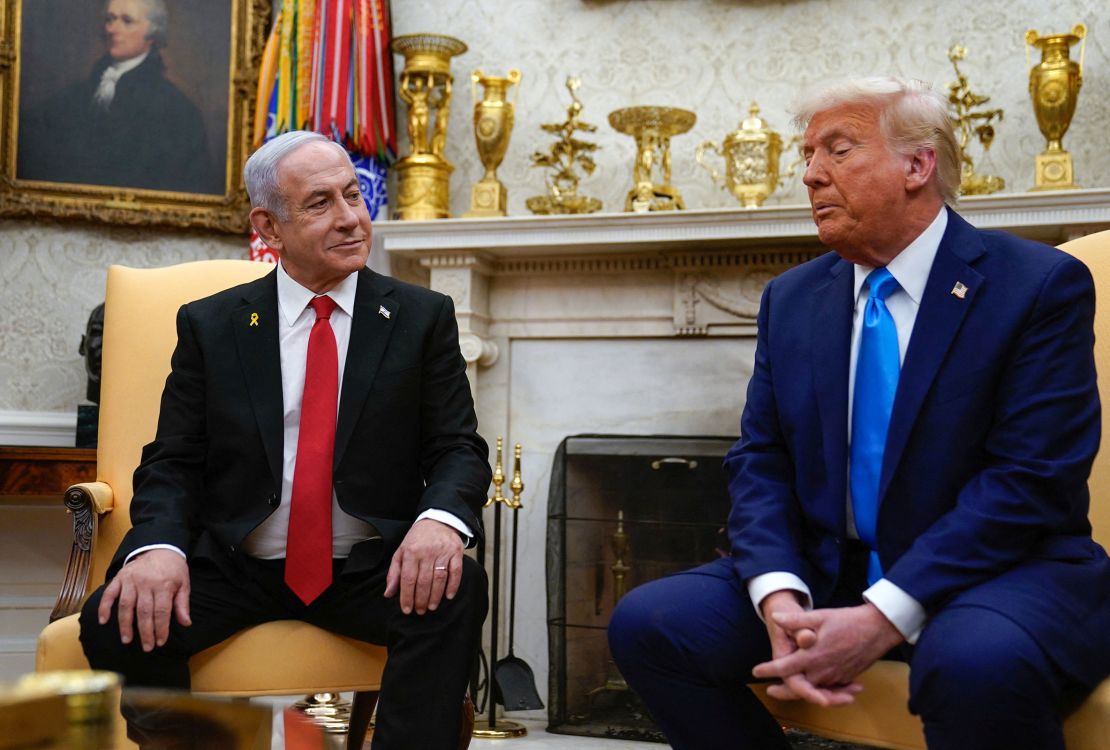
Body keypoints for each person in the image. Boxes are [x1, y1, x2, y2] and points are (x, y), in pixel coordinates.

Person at [609, 77, 1110, 750]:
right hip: (828, 568)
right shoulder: (792, 298)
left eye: (838, 150)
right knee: (652, 622)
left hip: (1001, 572)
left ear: (918, 164)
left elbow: (1030, 482)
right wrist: (776, 591)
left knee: (973, 664)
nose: (811, 175)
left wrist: (884, 615)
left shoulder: (1035, 286)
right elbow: (761, 460)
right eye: (808, 153)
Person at [78, 129, 491, 749]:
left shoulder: (420, 317)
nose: (352, 219)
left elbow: (458, 447)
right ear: (269, 228)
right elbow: (173, 461)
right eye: (321, 203)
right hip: (236, 565)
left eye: (354, 195)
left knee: (458, 589)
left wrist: (440, 520)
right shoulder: (213, 324)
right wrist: (157, 546)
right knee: (116, 618)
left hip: (367, 567)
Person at [17, 0, 218, 194]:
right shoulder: (77, 94)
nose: (112, 29)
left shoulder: (176, 108)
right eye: (110, 19)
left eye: (126, 20)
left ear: (153, 33)